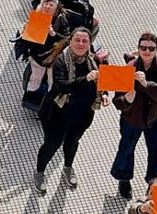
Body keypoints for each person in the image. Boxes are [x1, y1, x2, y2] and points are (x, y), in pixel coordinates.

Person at [32, 27, 108, 194]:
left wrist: (104, 95)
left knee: (73, 142)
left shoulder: (95, 60)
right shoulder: (61, 61)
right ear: (70, 41)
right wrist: (85, 79)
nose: (81, 44)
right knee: (52, 144)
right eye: (77, 40)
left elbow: (104, 81)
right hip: (58, 113)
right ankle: (39, 172)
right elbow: (62, 86)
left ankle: (68, 167)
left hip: (83, 114)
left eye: (85, 41)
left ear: (89, 43)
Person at [110, 32, 157, 199]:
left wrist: (146, 84)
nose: (147, 51)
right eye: (143, 48)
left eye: (151, 48)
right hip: (132, 119)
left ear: (156, 50)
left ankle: (154, 182)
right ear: (138, 49)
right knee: (126, 148)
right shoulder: (128, 68)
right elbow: (118, 101)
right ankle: (124, 179)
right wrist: (128, 99)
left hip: (155, 117)